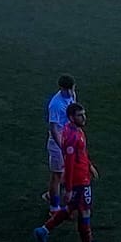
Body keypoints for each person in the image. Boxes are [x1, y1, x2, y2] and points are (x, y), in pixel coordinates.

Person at [33, 103, 108, 242]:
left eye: (84, 114)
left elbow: (81, 154)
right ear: (71, 118)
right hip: (80, 180)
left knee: (70, 209)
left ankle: (43, 230)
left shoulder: (74, 130)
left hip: (82, 175)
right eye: (80, 115)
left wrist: (89, 165)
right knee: (84, 211)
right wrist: (68, 189)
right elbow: (69, 163)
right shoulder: (73, 136)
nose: (84, 117)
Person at [43, 75, 76, 216]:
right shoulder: (55, 105)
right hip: (58, 142)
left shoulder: (72, 95)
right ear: (62, 88)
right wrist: (62, 146)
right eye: (69, 89)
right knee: (56, 175)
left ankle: (51, 194)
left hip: (69, 138)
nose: (72, 92)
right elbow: (54, 128)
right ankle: (54, 208)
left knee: (66, 170)